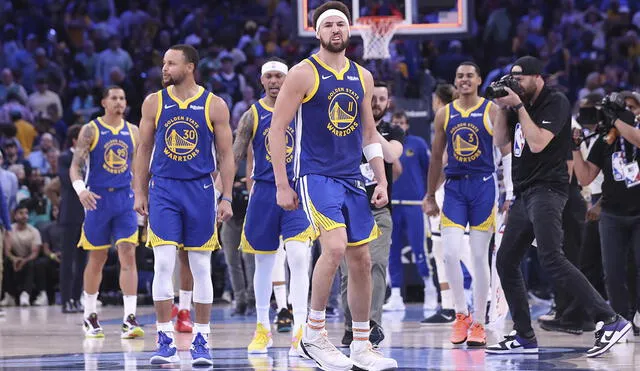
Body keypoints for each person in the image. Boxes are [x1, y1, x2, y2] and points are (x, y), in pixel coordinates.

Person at [268, 2, 397, 370]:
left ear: (350, 30)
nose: (336, 29)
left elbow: (369, 132)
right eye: (329, 25)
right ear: (317, 32)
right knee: (336, 247)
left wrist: (381, 177)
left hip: (352, 178)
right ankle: (313, 335)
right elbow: (278, 129)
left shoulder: (363, 76)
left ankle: (361, 344)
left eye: (341, 23)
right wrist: (282, 183)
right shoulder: (303, 73)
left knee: (362, 259)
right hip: (315, 176)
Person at [486, 56, 630, 357]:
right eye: (511, 78)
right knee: (506, 261)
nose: (515, 84)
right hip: (524, 193)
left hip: (549, 191)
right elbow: (501, 142)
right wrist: (502, 107)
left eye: (520, 78)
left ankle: (611, 320)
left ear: (538, 78)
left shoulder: (556, 101)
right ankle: (524, 336)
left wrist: (520, 107)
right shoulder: (514, 106)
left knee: (552, 257)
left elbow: (537, 143)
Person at [133, 44, 234, 366]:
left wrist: (227, 195)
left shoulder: (214, 105)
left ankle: (202, 338)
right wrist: (139, 192)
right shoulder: (154, 102)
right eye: (163, 63)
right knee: (163, 264)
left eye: (170, 63)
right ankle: (164, 338)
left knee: (201, 266)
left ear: (189, 67)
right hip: (163, 188)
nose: (164, 68)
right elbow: (143, 149)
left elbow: (227, 156)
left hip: (200, 190)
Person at [233, 58, 315, 356]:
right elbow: (236, 153)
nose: (274, 81)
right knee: (264, 264)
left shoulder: (304, 110)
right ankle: (262, 328)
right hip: (264, 192)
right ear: (262, 81)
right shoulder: (251, 115)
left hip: (298, 190)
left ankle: (300, 332)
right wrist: (220, 188)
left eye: (280, 76)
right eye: (269, 76)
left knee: (297, 257)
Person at [423, 62, 500, 347]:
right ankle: (461, 315)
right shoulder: (445, 113)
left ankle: (479, 320)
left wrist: (510, 193)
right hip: (454, 188)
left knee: (479, 258)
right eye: (459, 76)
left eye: (469, 75)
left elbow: (504, 153)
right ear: (455, 81)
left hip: (483, 187)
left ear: (479, 79)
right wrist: (430, 194)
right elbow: (435, 158)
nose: (464, 80)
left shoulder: (492, 110)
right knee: (451, 253)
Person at [71, 86, 142, 339]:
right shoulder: (91, 129)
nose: (119, 102)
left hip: (124, 200)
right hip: (97, 199)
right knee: (97, 258)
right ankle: (90, 315)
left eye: (122, 98)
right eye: (114, 98)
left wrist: (140, 197)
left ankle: (129, 319)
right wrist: (81, 190)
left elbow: (137, 169)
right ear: (103, 102)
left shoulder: (133, 131)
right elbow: (75, 167)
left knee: (128, 254)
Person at [571, 91, 640, 336]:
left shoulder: (634, 131)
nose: (628, 111)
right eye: (623, 108)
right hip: (612, 212)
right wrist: (576, 149)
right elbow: (585, 176)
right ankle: (619, 321)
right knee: (612, 272)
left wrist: (618, 119)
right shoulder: (605, 138)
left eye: (631, 107)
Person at [341, 81, 404, 347]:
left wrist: (368, 129)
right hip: (348, 208)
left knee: (375, 264)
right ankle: (350, 326)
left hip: (379, 211)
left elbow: (390, 156)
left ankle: (371, 324)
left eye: (381, 99)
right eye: (372, 98)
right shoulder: (344, 127)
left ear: (388, 103)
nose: (376, 103)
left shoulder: (393, 131)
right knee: (348, 272)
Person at [386, 110, 435, 313]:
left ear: (407, 124)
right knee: (392, 251)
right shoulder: (385, 144)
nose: (398, 125)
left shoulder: (418, 144)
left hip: (415, 204)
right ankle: (396, 295)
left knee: (420, 249)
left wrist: (428, 195)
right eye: (395, 122)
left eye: (401, 122)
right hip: (392, 204)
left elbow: (430, 170)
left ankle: (430, 290)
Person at [57, 125, 87, 313]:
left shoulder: (89, 157)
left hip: (87, 214)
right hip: (70, 214)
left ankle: (77, 298)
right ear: (75, 140)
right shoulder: (65, 158)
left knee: (83, 261)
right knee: (68, 260)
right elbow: (67, 180)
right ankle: (66, 299)